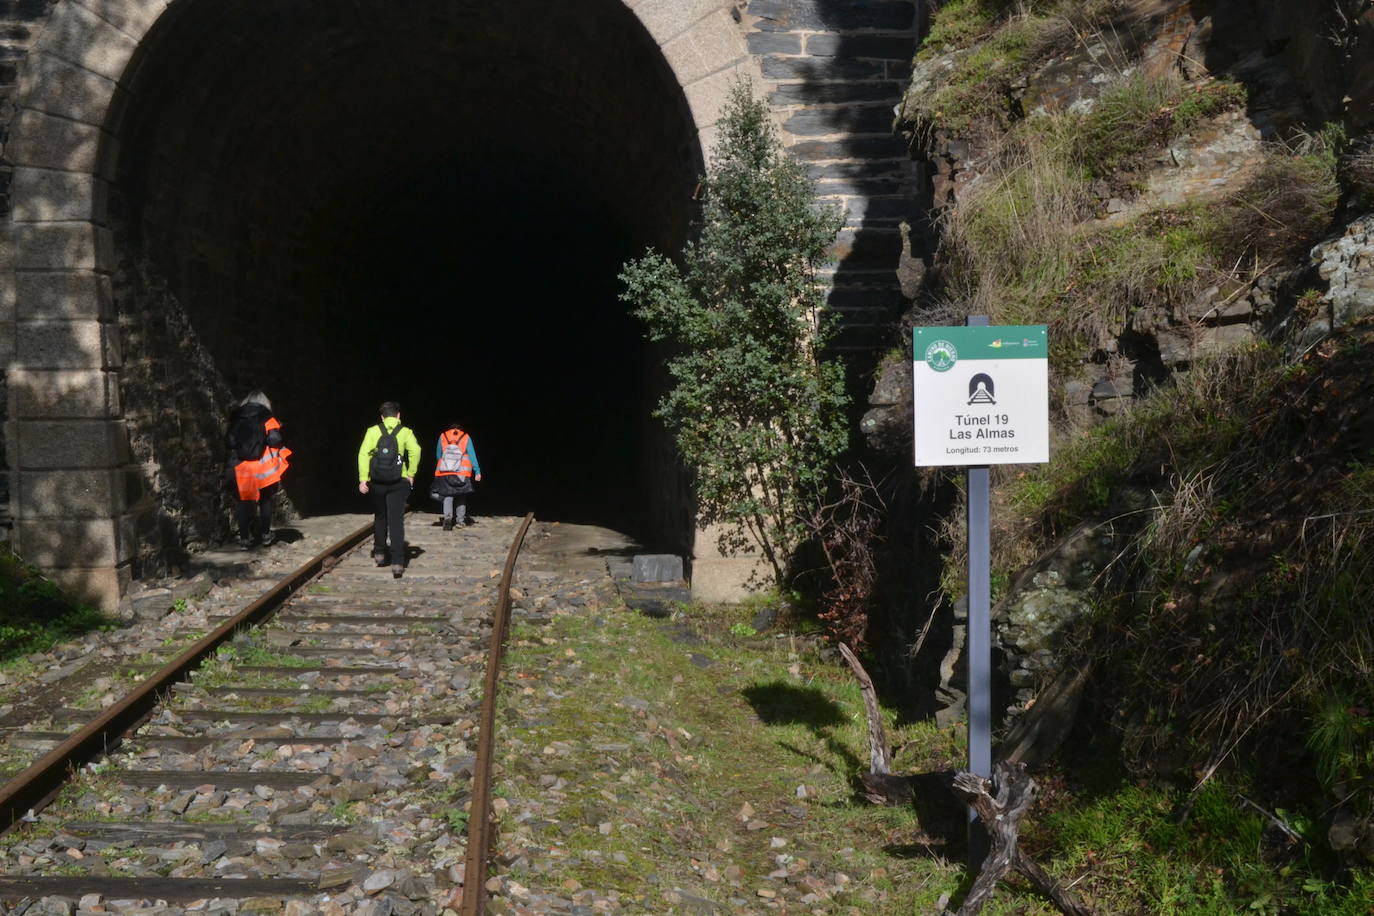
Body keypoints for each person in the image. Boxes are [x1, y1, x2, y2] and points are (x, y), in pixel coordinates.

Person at [357, 401, 421, 578]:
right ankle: (398, 562)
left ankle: (379, 552)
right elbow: (416, 451)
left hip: (377, 482)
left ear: (382, 417)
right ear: (398, 415)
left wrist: (363, 478)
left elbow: (363, 454)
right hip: (399, 481)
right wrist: (411, 474)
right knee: (396, 520)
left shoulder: (373, 431)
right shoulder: (406, 432)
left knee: (380, 516)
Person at [226, 390, 291, 550]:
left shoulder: (236, 416)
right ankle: (266, 535)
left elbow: (230, 441)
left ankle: (244, 540)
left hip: (242, 466)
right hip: (263, 465)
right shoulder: (267, 416)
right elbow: (275, 440)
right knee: (265, 500)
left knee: (243, 502)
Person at [430, 421, 482, 530]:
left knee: (447, 495)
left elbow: (438, 454)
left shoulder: (443, 436)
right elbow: (472, 455)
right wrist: (477, 471)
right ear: (460, 429)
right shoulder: (466, 437)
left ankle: (448, 519)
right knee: (461, 495)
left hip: (445, 471)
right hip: (462, 472)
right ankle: (460, 521)